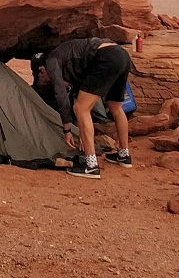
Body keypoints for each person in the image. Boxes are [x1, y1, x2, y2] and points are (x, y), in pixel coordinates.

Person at [35, 37, 133, 178]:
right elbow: (81, 92)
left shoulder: (52, 60)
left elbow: (60, 94)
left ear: (42, 67)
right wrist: (83, 130)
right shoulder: (70, 60)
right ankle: (124, 156)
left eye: (40, 73)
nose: (42, 75)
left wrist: (67, 129)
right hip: (121, 55)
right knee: (114, 106)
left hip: (106, 57)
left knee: (80, 108)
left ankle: (91, 165)